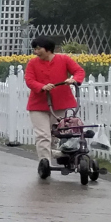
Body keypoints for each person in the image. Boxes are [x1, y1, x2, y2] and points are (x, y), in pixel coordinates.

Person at [24, 36, 86, 179]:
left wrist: (73, 80)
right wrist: (42, 86)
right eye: (35, 48)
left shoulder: (64, 60)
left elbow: (79, 71)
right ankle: (44, 164)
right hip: (38, 104)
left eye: (38, 48)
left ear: (48, 49)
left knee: (54, 135)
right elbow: (29, 80)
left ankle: (55, 155)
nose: (36, 51)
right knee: (43, 135)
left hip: (59, 103)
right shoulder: (33, 63)